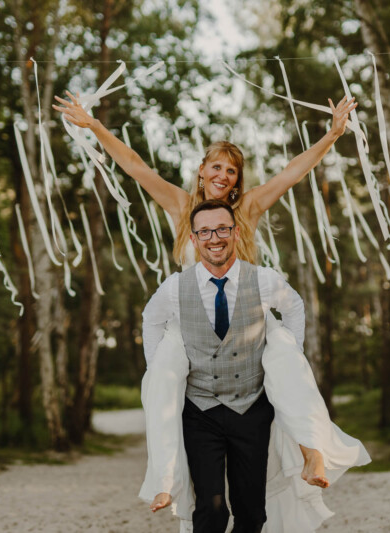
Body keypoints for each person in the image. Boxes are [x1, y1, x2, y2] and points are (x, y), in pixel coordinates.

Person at [53, 92, 369, 530]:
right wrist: (94, 126)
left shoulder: (247, 208)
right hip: (192, 324)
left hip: (249, 321)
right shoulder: (182, 207)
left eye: (231, 170)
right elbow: (136, 167)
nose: (223, 175)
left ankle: (311, 449)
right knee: (162, 375)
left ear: (237, 181)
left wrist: (332, 134)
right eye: (216, 166)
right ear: (202, 170)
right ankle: (163, 478)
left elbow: (292, 172)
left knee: (286, 356)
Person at [144, 199, 307, 532]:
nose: (214, 238)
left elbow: (294, 307)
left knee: (251, 511)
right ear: (193, 239)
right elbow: (151, 319)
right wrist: (158, 371)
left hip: (252, 407)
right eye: (204, 232)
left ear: (236, 232)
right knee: (211, 507)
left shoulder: (264, 280)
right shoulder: (175, 287)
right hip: (200, 411)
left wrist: (289, 357)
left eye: (221, 229)